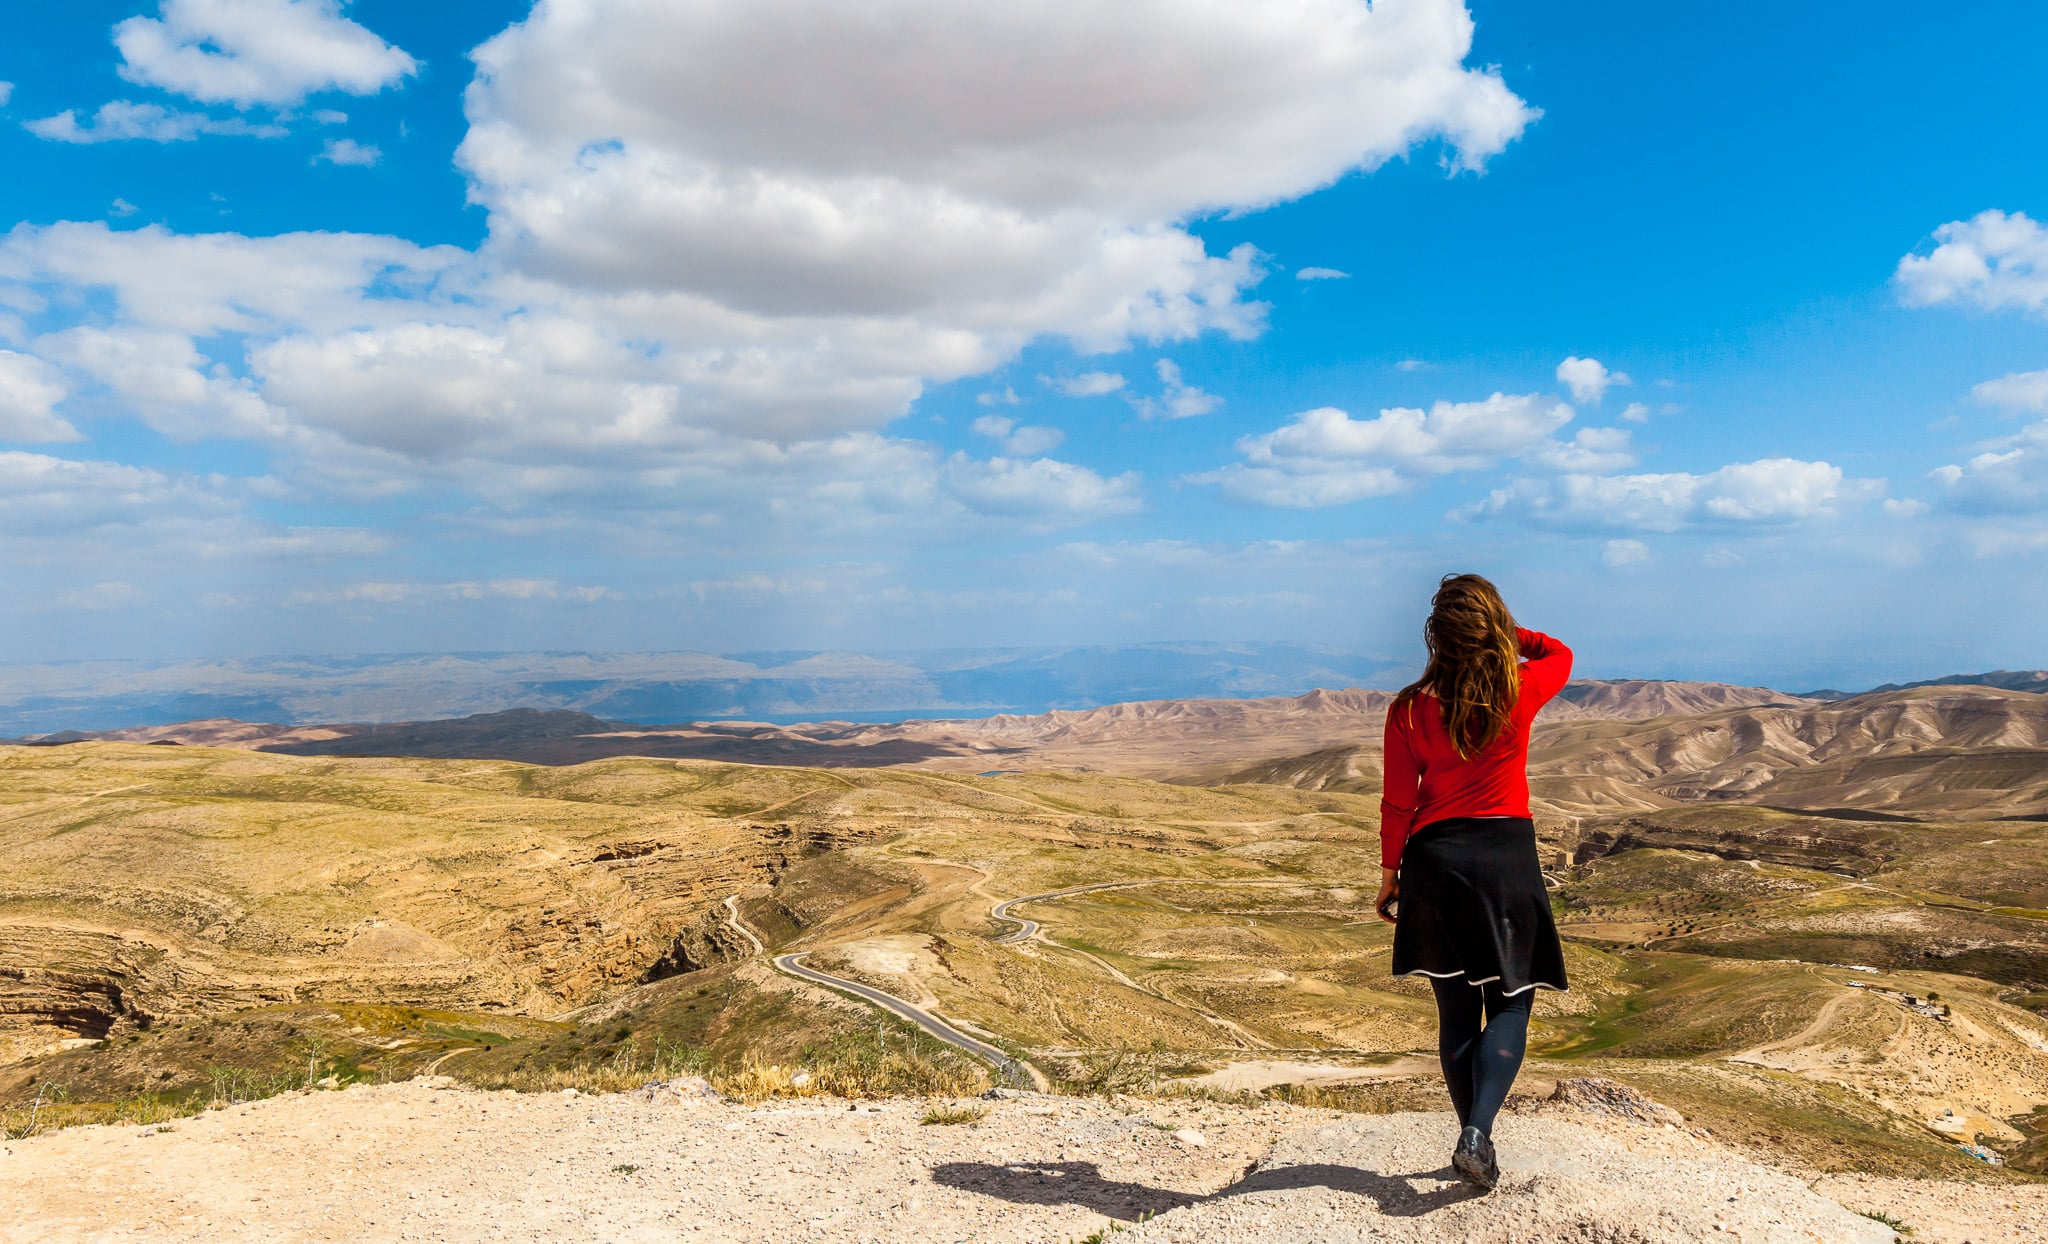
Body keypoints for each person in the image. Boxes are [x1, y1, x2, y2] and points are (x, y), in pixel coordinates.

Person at [1373, 573, 1571, 1191]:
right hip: (1505, 856)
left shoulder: (1408, 708)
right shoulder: (1522, 686)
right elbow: (1560, 652)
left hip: (1433, 861)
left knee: (1456, 1010)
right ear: (1491, 629)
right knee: (1512, 999)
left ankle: (1474, 1143)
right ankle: (1477, 1134)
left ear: (1437, 638)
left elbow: (1397, 804)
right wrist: (1511, 633)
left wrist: (1389, 876)